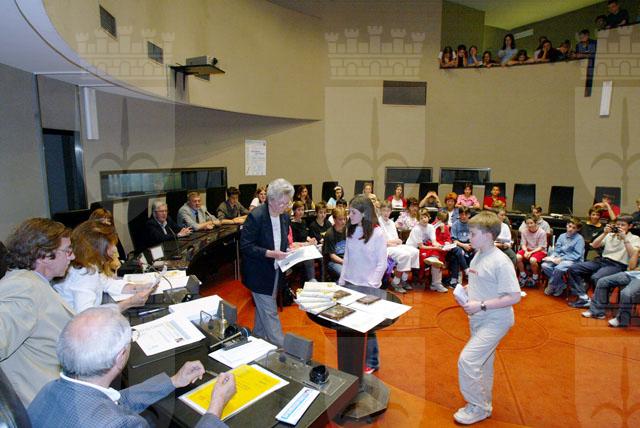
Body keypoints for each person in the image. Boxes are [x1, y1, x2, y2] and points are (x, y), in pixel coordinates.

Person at [28, 306, 235, 427]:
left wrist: (173, 381)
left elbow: (116, 401)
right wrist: (216, 406)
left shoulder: (48, 391)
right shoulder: (118, 424)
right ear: (120, 357)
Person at [453, 211, 521, 425]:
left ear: (488, 235)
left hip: (495, 320)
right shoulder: (479, 254)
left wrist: (481, 304)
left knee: (467, 360)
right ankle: (483, 403)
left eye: (473, 234)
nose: (469, 237)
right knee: (482, 363)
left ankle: (478, 407)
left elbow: (514, 296)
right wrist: (466, 290)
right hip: (479, 318)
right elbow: (482, 281)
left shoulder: (500, 261)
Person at [0, 218, 75, 406]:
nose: (72, 257)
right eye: (67, 251)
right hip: (44, 403)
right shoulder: (23, 287)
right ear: (43, 255)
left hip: (57, 393)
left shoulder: (34, 283)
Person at [54, 220, 156, 313]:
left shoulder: (88, 264)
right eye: (111, 244)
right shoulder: (84, 273)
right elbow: (86, 315)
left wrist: (140, 287)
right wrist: (129, 303)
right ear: (97, 246)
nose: (114, 249)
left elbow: (107, 283)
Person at [240, 178, 294, 347]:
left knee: (263, 312)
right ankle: (283, 351)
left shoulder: (284, 217)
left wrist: (292, 249)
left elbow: (282, 241)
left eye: (287, 202)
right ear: (270, 200)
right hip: (259, 272)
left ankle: (256, 341)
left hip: (276, 270)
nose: (285, 206)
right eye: (282, 203)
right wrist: (270, 254)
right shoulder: (256, 216)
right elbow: (246, 246)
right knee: (270, 313)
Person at [338, 195, 388, 374]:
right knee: (349, 323)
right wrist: (342, 280)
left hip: (368, 287)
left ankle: (372, 361)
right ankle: (353, 357)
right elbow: (347, 257)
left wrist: (371, 285)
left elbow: (382, 263)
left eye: (353, 212)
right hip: (350, 283)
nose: (349, 215)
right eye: (349, 211)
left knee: (368, 326)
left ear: (364, 213)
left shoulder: (378, 233)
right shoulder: (350, 230)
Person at [566, 216, 640, 308]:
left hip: (618, 265)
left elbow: (633, 254)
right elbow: (594, 245)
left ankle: (599, 304)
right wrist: (604, 233)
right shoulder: (610, 235)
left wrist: (625, 238)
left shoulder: (635, 238)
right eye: (618, 224)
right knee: (574, 268)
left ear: (630, 226)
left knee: (597, 277)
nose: (620, 227)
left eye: (623, 225)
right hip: (602, 261)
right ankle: (583, 297)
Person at [582, 250, 640, 328]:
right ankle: (597, 312)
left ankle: (621, 320)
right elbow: (631, 267)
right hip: (631, 274)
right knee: (602, 281)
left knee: (626, 293)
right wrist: (636, 252)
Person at [379, 200, 419, 293]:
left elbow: (397, 239)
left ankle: (404, 279)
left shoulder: (391, 223)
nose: (386, 213)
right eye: (384, 210)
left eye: (388, 210)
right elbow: (381, 241)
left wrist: (397, 242)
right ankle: (396, 282)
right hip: (385, 247)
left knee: (414, 252)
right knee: (405, 255)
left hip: (394, 245)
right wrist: (394, 242)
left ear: (391, 211)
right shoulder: (378, 222)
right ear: (380, 210)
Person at [406, 209, 448, 292]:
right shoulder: (417, 229)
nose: (424, 219)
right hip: (413, 248)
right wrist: (435, 248)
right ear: (418, 220)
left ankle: (436, 283)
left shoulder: (431, 227)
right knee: (434, 253)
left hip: (424, 248)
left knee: (437, 254)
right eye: (421, 218)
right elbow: (421, 246)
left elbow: (434, 242)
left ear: (429, 217)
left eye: (425, 217)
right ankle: (431, 281)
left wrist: (441, 246)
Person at [541, 218, 585, 296]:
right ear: (566, 225)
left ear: (577, 229)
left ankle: (552, 285)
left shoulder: (579, 239)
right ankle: (561, 284)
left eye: (574, 228)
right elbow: (557, 250)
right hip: (560, 258)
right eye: (569, 226)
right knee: (544, 265)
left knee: (559, 268)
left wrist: (562, 259)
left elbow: (577, 255)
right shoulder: (562, 236)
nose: (570, 229)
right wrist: (553, 257)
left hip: (573, 260)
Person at [516, 216, 548, 288]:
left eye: (531, 223)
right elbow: (523, 244)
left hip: (539, 250)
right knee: (517, 257)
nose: (529, 225)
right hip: (528, 249)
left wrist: (530, 253)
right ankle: (523, 275)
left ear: (535, 223)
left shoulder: (542, 232)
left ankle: (535, 277)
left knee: (532, 260)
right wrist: (526, 251)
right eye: (527, 223)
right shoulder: (524, 231)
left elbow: (541, 247)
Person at [289, 201, 317, 282]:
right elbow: (293, 243)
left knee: (321, 255)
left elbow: (305, 236)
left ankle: (321, 279)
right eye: (299, 210)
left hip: (305, 247)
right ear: (294, 211)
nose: (301, 212)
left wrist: (311, 240)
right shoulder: (291, 224)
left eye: (302, 210)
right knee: (309, 259)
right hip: (296, 250)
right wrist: (307, 244)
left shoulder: (303, 222)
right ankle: (312, 280)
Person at [448, 207, 474, 287]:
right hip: (459, 245)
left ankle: (473, 277)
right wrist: (463, 245)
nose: (464, 216)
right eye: (462, 214)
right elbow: (454, 240)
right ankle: (466, 269)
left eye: (466, 214)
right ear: (459, 215)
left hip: (470, 245)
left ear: (469, 215)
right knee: (457, 253)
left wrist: (471, 245)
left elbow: (476, 237)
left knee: (478, 251)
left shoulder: (473, 224)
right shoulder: (455, 224)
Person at [323, 207, 347, 279]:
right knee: (345, 274)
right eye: (340, 219)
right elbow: (332, 256)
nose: (343, 222)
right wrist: (345, 262)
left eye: (344, 219)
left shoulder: (347, 230)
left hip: (345, 259)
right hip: (334, 262)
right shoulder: (330, 234)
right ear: (334, 219)